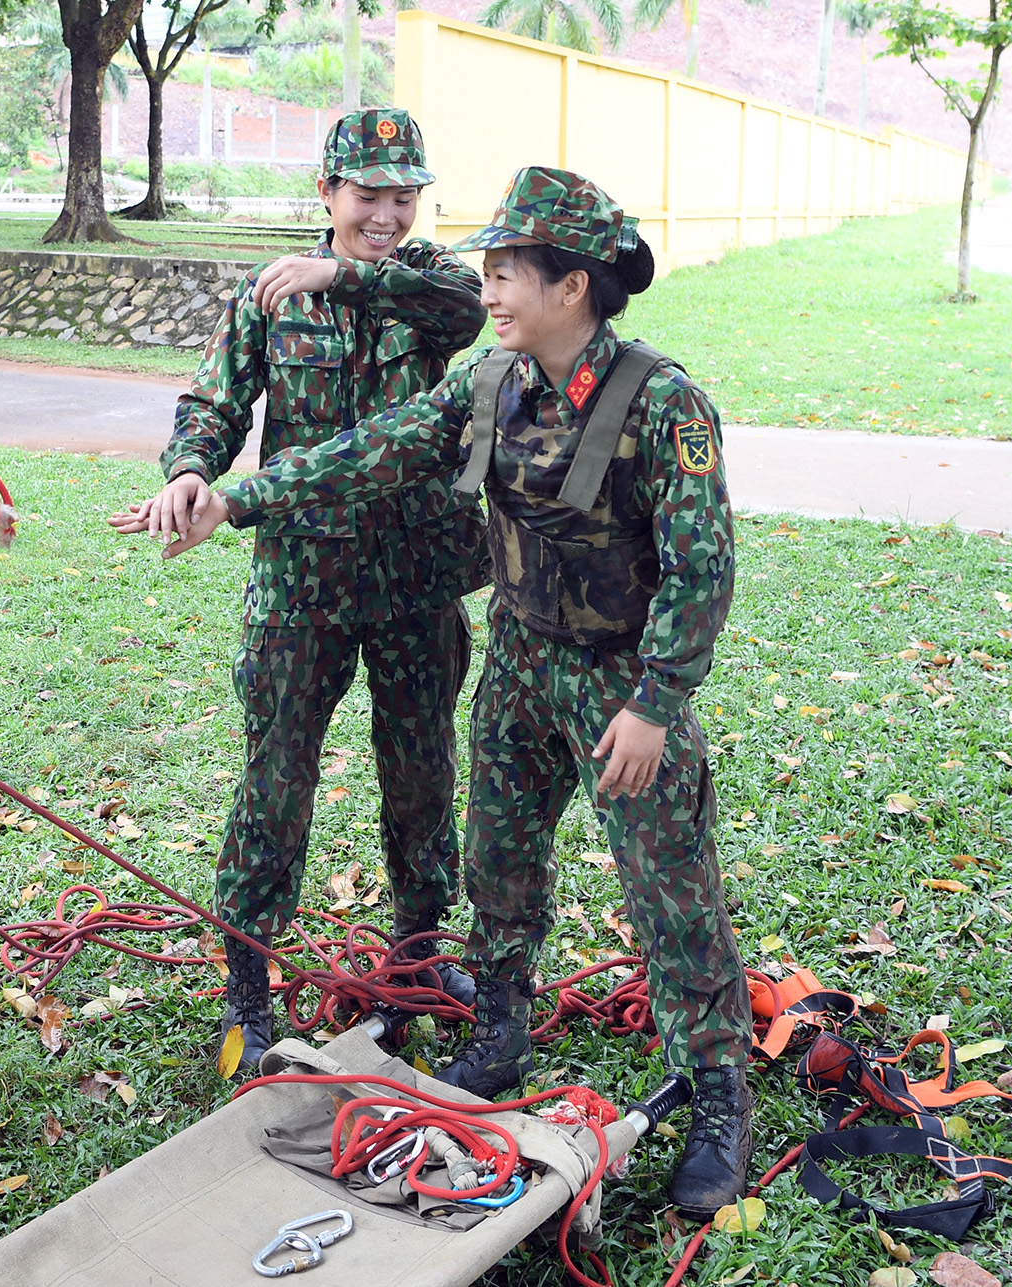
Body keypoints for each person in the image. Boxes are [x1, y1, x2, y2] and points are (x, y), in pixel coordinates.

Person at [116, 167, 753, 1214]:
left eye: (509, 275)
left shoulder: (660, 400)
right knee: (498, 855)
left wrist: (654, 701)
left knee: (666, 885)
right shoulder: (488, 385)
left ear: (573, 287)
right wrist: (235, 500)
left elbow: (700, 568)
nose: (490, 293)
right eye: (490, 271)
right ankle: (499, 1019)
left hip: (615, 684)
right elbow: (368, 451)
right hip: (515, 659)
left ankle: (719, 1091)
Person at [110, 109, 489, 1073]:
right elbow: (214, 403)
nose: (387, 214)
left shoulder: (432, 283)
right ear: (327, 192)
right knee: (276, 777)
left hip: (415, 578)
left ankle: (419, 954)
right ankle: (250, 978)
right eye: (369, 196)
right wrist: (191, 470)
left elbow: (466, 315)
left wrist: (347, 273)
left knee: (420, 772)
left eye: (404, 196)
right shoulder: (269, 295)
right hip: (301, 579)